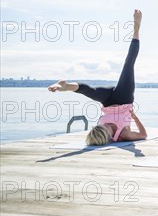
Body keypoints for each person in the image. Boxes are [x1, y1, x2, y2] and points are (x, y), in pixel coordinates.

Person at [48, 10, 147, 146]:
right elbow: (143, 135)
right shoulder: (123, 135)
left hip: (107, 101)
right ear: (108, 136)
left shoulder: (99, 128)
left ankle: (66, 86)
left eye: (97, 126)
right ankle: (136, 30)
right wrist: (134, 117)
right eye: (102, 128)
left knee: (91, 91)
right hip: (124, 100)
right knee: (128, 64)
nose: (101, 125)